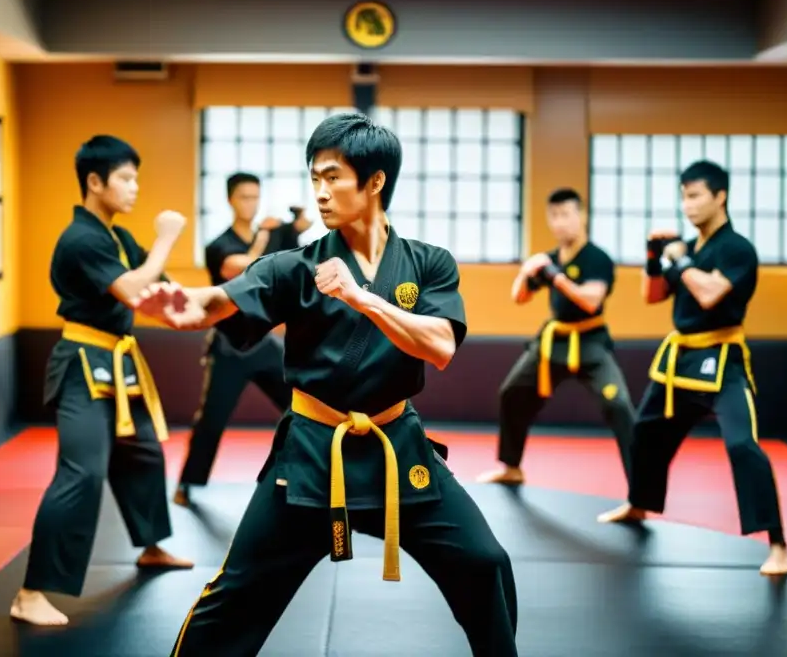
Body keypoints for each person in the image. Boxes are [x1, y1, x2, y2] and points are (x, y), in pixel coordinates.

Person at [135, 112, 519, 656]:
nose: (320, 191)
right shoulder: (293, 267)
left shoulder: (429, 263)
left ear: (376, 181)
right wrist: (184, 307)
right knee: (236, 597)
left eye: (333, 176)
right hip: (314, 455)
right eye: (314, 177)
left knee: (486, 563)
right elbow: (217, 300)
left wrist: (361, 297)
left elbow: (439, 346)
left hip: (395, 449)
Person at [10, 135, 193, 627]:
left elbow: (156, 286)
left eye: (137, 178)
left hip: (119, 362)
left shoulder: (115, 236)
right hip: (82, 364)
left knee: (142, 454)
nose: (135, 188)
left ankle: (151, 547)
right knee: (83, 472)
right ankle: (29, 593)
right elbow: (133, 289)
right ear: (95, 182)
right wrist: (167, 236)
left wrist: (204, 307)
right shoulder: (81, 238)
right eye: (126, 178)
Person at [597, 160, 787, 576]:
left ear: (719, 196)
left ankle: (777, 544)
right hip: (681, 359)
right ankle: (639, 504)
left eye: (694, 196)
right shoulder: (690, 247)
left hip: (723, 359)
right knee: (647, 432)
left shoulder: (736, 248)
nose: (686, 205)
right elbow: (653, 295)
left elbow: (709, 294)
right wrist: (654, 257)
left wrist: (680, 261)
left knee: (742, 445)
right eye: (683, 196)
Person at [477, 188, 634, 486]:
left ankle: (639, 492)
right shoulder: (550, 259)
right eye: (554, 216)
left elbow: (590, 300)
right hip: (554, 341)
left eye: (566, 214)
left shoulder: (597, 258)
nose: (560, 222)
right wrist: (526, 271)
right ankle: (512, 467)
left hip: (591, 341)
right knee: (512, 392)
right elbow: (519, 297)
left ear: (582, 216)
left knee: (619, 405)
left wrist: (556, 277)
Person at [174, 173, 312, 505]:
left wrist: (296, 225)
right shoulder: (219, 245)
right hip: (229, 347)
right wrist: (266, 235)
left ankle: (305, 476)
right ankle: (187, 484)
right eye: (243, 197)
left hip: (265, 343)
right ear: (230, 200)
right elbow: (243, 268)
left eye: (254, 197)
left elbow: (296, 252)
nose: (250, 204)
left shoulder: (272, 234)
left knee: (304, 407)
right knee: (212, 419)